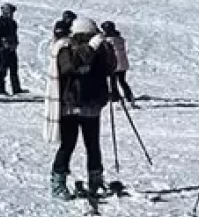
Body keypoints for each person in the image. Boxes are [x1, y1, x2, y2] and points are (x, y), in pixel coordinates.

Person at [45, 18, 115, 200]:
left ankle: (96, 179)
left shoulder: (97, 49)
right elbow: (69, 66)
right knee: (68, 144)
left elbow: (110, 68)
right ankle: (58, 182)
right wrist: (90, 49)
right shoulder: (65, 48)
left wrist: (107, 49)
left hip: (91, 104)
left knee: (93, 145)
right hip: (72, 104)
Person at [0, 3, 24, 96]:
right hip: (3, 50)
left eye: (12, 12)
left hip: (12, 49)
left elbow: (14, 35)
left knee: (14, 69)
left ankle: (16, 89)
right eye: (10, 12)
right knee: (3, 70)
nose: (12, 14)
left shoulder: (13, 23)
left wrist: (15, 42)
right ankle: (0, 90)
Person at [101, 21, 135, 106]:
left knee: (113, 81)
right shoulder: (119, 38)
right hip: (123, 63)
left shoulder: (108, 40)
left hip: (114, 63)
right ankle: (129, 96)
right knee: (122, 81)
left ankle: (115, 97)